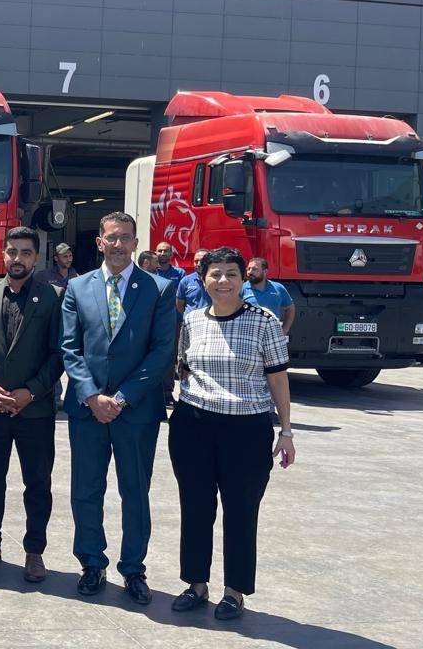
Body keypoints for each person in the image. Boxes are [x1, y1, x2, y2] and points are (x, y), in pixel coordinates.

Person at [169, 247, 296, 621]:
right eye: (215, 274)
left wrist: (286, 430)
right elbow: (184, 366)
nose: (223, 281)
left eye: (231, 274)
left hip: (246, 430)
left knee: (241, 511)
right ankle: (196, 584)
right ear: (202, 279)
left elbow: (278, 379)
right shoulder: (192, 320)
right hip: (193, 426)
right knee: (195, 507)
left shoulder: (264, 322)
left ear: (243, 280)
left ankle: (234, 592)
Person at [60, 211, 176, 605]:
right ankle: (91, 563)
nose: (118, 244)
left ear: (135, 243)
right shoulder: (77, 288)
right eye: (112, 237)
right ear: (100, 242)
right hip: (87, 410)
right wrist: (92, 396)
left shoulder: (159, 289)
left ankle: (133, 568)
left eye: (126, 237)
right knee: (86, 489)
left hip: (136, 411)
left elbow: (162, 351)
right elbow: (70, 348)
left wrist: (122, 397)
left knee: (135, 492)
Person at [0, 226, 64, 582]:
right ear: (3, 254)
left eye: (25, 252)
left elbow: (58, 353)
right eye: (12, 251)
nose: (17, 258)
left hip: (35, 409)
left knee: (37, 483)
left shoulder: (53, 297)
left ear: (36, 258)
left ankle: (35, 551)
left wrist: (30, 392)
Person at [243, 257, 295, 335]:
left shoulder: (278, 288)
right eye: (248, 269)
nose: (250, 272)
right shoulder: (241, 289)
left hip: (272, 335)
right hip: (249, 335)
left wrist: (285, 329)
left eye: (254, 269)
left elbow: (290, 308)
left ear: (265, 271)